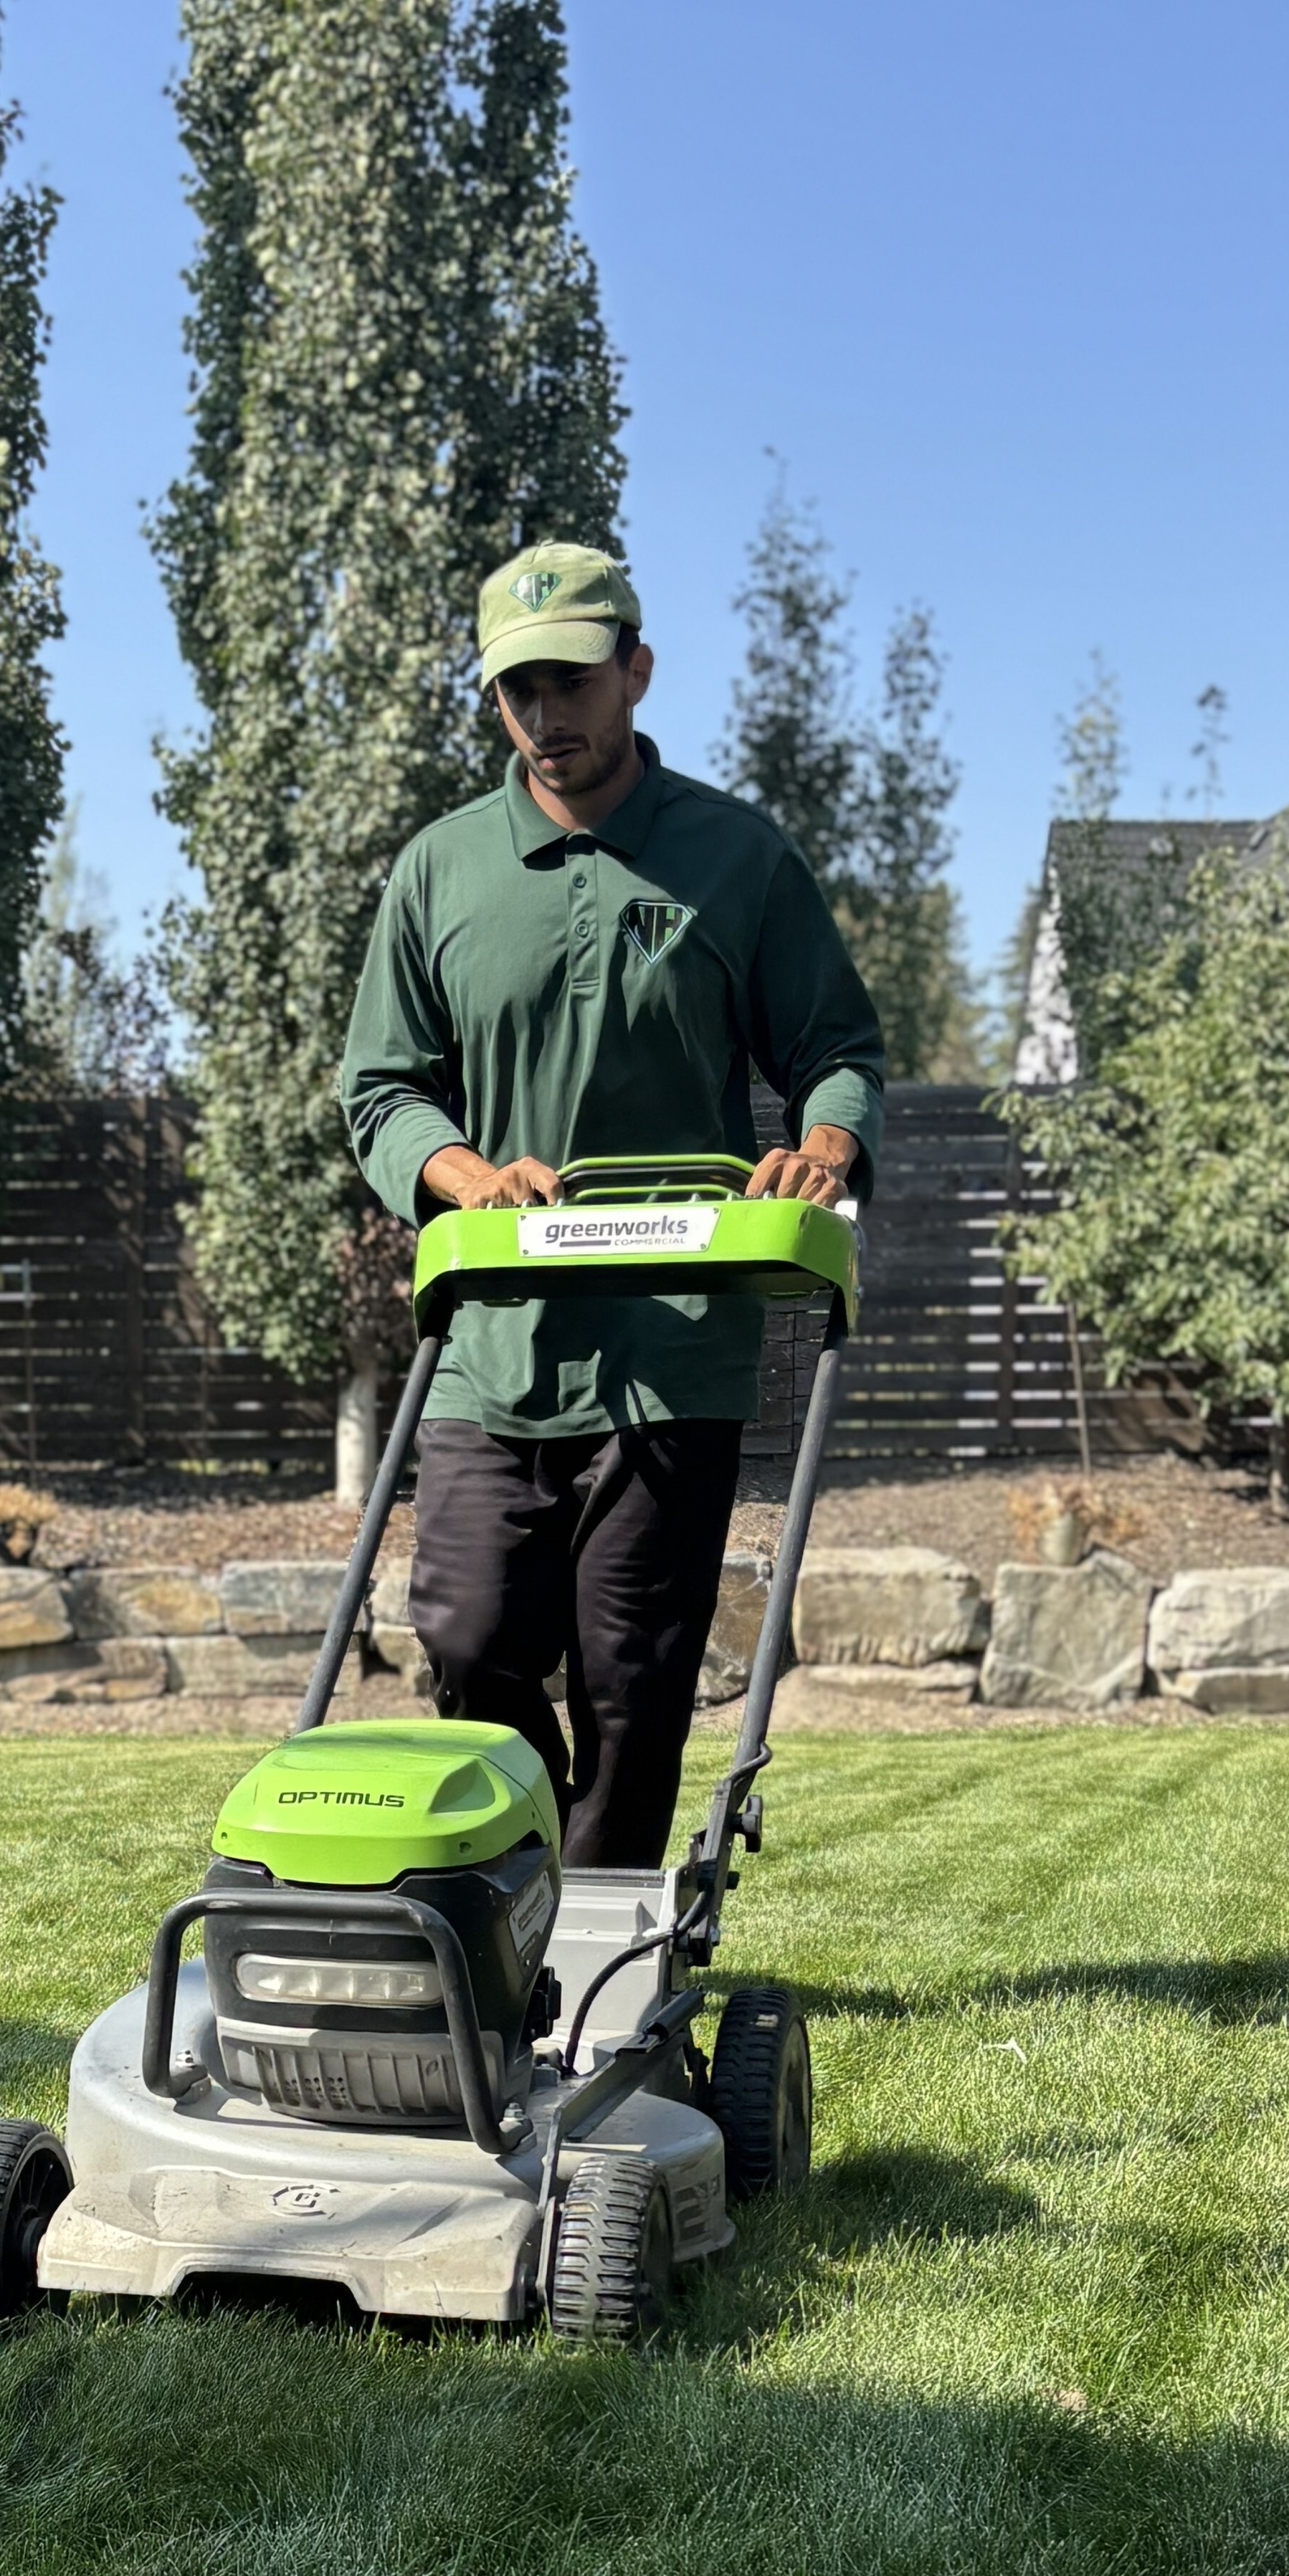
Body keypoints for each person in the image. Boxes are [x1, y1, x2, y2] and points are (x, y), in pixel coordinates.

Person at [338, 543, 885, 1870]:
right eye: (517, 689)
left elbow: (838, 1050)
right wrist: (464, 1175)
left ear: (634, 669)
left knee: (633, 1684)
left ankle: (602, 1961)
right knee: (468, 1642)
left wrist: (822, 1138)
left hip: (671, 1347)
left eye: (571, 680)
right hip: (492, 1346)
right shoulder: (441, 871)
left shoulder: (736, 860)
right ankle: (506, 1910)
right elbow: (380, 1089)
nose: (546, 716)